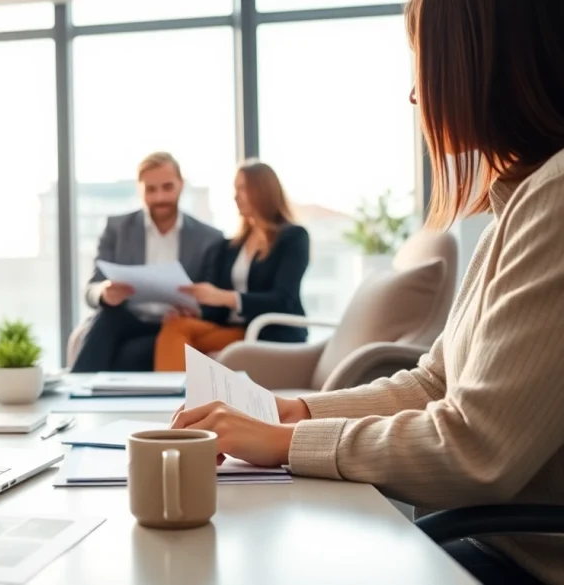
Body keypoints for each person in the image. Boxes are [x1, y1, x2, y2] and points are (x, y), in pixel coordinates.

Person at [171, 1, 564, 584]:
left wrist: (285, 441)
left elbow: (477, 448)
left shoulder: (555, 203)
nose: (415, 95)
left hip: (511, 564)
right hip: (484, 543)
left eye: (425, 64)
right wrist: (294, 410)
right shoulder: (520, 206)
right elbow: (433, 382)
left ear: (488, 62)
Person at [71, 152, 224, 373]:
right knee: (107, 317)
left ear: (181, 185)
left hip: (174, 325)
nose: (160, 197)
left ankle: (83, 391)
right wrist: (104, 292)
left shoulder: (208, 238)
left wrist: (197, 311)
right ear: (139, 189)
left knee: (130, 355)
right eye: (151, 190)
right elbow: (91, 290)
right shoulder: (117, 229)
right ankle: (79, 388)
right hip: (127, 320)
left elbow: (215, 303)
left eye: (167, 187)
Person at [153, 160, 309, 371]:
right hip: (234, 330)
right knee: (175, 326)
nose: (236, 196)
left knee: (181, 337)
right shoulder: (231, 246)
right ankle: (175, 399)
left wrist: (224, 297)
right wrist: (194, 312)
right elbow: (217, 310)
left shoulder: (293, 237)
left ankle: (179, 400)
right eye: (235, 189)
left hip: (268, 332)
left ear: (263, 191)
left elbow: (283, 299)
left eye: (243, 188)